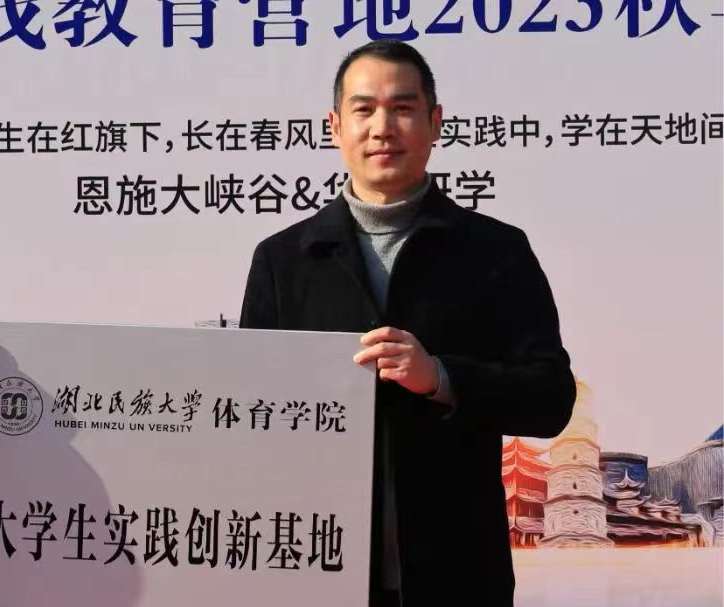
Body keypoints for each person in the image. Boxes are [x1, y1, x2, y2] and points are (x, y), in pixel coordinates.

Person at [239, 40, 576, 607]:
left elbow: (551, 398)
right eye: (364, 109)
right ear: (334, 127)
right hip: (318, 567)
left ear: (435, 122)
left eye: (402, 108)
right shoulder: (283, 261)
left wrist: (442, 377)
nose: (382, 128)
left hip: (457, 571)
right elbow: (251, 414)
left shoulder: (495, 251)